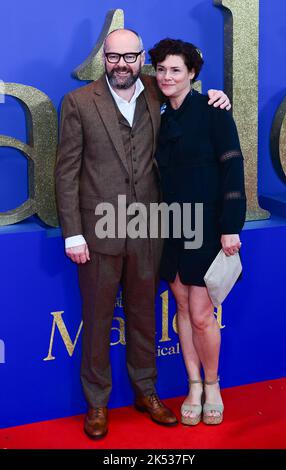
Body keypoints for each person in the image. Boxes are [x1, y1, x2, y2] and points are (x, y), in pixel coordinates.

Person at [55, 28, 231, 439]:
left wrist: (217, 97)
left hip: (150, 230)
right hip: (98, 230)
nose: (122, 64)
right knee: (97, 321)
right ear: (104, 59)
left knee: (144, 318)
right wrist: (72, 233)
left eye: (130, 57)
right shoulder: (79, 103)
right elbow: (65, 173)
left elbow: (190, 96)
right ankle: (97, 403)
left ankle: (146, 391)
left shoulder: (156, 91)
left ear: (141, 60)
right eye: (114, 57)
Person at [148, 38, 246, 426]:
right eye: (161, 69)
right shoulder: (161, 116)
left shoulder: (213, 110)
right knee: (183, 310)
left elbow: (233, 169)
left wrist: (230, 227)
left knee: (203, 315)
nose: (167, 76)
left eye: (176, 69)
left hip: (207, 227)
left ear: (192, 73)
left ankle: (213, 385)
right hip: (170, 227)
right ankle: (192, 385)